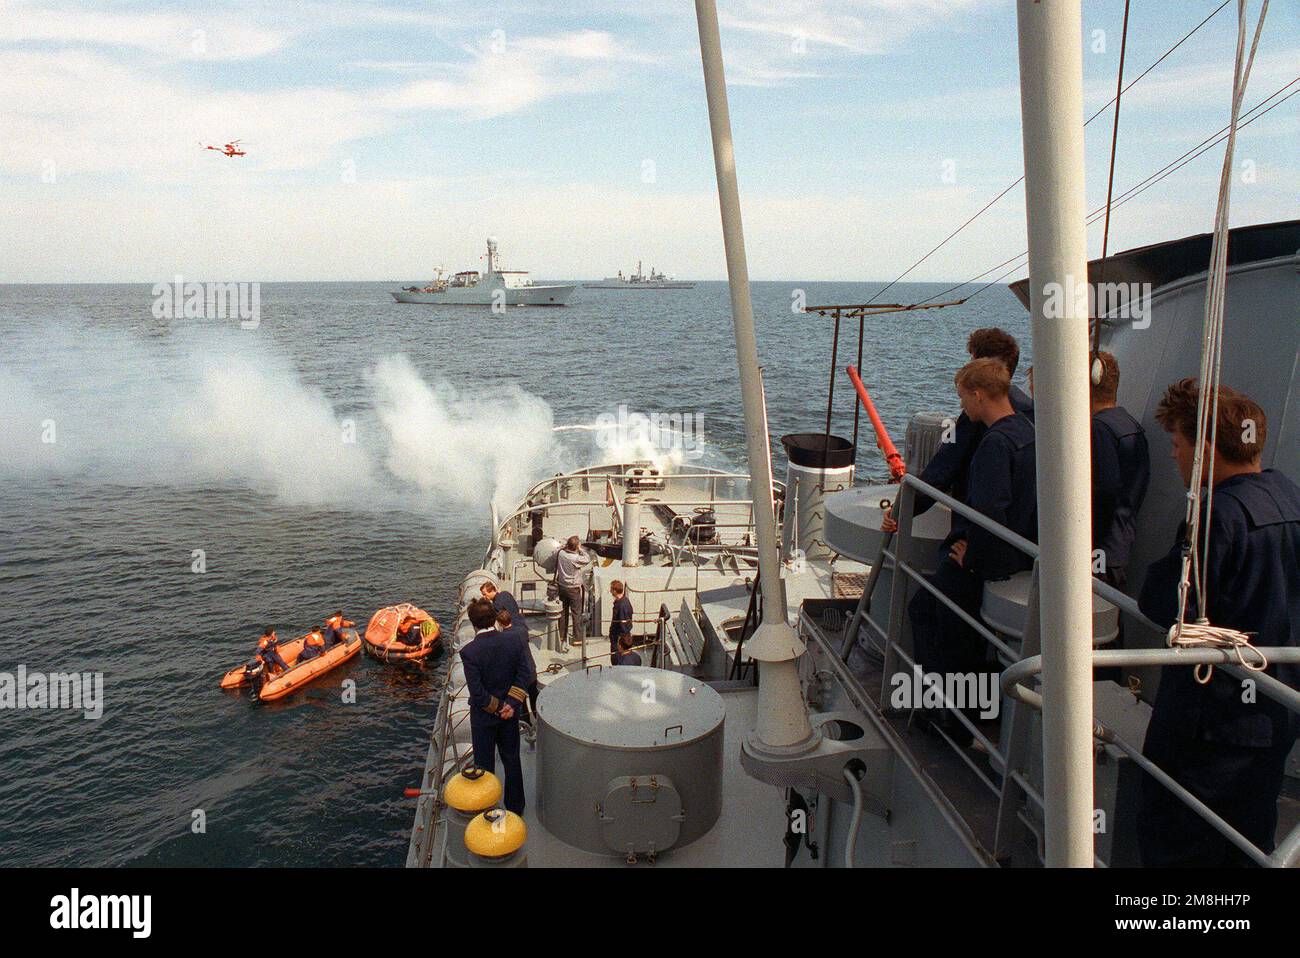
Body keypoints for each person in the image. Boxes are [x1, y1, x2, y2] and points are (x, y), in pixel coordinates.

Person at [1136, 379, 1299, 867]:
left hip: (1210, 721)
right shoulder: (1288, 496)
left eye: (1178, 444)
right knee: (1248, 836)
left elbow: (1164, 602)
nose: (1174, 456)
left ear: (1204, 449)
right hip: (1272, 712)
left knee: (1176, 834)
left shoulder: (1217, 516)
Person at [906, 358, 1037, 745]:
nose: (963, 408)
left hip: (982, 562)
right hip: (1016, 558)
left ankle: (945, 717)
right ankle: (974, 712)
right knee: (970, 637)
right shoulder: (1027, 432)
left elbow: (989, 509)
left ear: (978, 395)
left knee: (934, 619)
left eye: (964, 399)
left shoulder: (994, 444)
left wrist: (974, 557)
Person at [910, 328, 1034, 519]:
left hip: (976, 527)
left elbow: (943, 468)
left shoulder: (976, 418)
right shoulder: (1030, 412)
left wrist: (902, 510)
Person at [460, 598, 536, 814]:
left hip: (484, 719)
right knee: (512, 760)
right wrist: (510, 705)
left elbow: (477, 692)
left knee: (484, 766)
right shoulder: (513, 641)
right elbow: (523, 674)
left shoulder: (470, 652)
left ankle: (488, 807)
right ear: (494, 618)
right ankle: (516, 807)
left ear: (473, 623)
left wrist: (497, 707)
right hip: (509, 717)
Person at [1089, 352, 1150, 588]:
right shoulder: (1129, 425)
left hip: (1098, 545)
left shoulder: (1098, 430)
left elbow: (1105, 490)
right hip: (1119, 543)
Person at [554, 536, 591, 648]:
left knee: (563, 611)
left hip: (562, 586)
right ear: (576, 546)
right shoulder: (575, 558)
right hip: (573, 589)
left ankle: (561, 635)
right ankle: (577, 639)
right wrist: (580, 549)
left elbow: (558, 550)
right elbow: (587, 559)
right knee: (576, 613)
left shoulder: (561, 554)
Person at [608, 580, 633, 661]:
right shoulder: (623, 601)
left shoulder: (622, 605)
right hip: (616, 637)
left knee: (617, 659)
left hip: (618, 638)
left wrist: (620, 641)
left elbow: (624, 625)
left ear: (615, 591)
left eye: (611, 589)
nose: (610, 591)